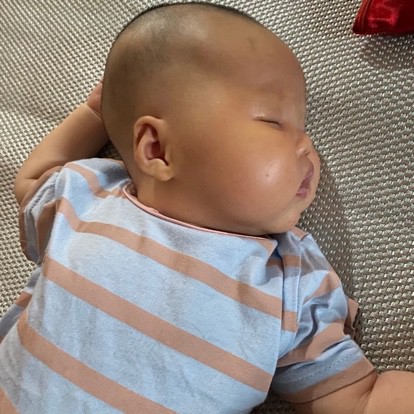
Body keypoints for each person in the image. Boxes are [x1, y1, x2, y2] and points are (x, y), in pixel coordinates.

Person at [0, 2, 413, 414]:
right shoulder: (91, 199)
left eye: (304, 128)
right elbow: (33, 182)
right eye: (272, 120)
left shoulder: (292, 281)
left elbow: (356, 398)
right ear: (157, 149)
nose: (307, 146)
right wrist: (95, 115)